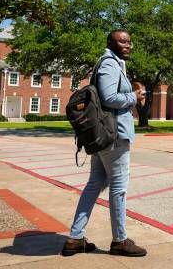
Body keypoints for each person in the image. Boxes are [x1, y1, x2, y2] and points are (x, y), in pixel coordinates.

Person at [61, 29, 147, 257]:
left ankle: (75, 238)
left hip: (105, 136)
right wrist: (134, 98)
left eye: (129, 41)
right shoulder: (110, 64)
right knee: (119, 189)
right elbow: (109, 98)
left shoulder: (113, 63)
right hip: (114, 135)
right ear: (111, 42)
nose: (128, 45)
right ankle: (119, 240)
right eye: (122, 42)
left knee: (94, 185)